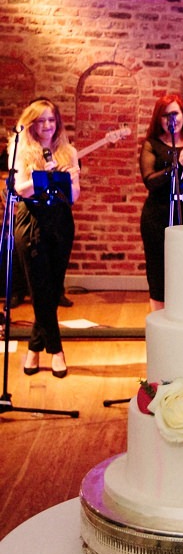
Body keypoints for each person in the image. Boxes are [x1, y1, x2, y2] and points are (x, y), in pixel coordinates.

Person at [11, 100, 80, 378]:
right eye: (41, 121)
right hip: (31, 221)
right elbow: (20, 190)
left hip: (61, 223)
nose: (47, 126)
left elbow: (74, 196)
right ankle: (56, 350)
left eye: (51, 120)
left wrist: (71, 177)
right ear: (31, 123)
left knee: (52, 287)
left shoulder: (69, 151)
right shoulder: (19, 150)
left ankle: (33, 348)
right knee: (38, 287)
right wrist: (43, 177)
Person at [139, 93, 183, 312]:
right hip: (158, 213)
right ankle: (159, 321)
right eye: (165, 115)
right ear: (159, 119)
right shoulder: (151, 144)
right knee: (158, 268)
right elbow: (150, 181)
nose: (171, 119)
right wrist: (177, 165)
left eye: (175, 113)